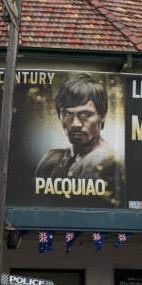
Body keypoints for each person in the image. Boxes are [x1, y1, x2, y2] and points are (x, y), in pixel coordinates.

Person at [34, 73, 124, 204]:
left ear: (102, 116)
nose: (75, 123)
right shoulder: (53, 157)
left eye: (85, 114)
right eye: (67, 114)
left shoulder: (111, 162)